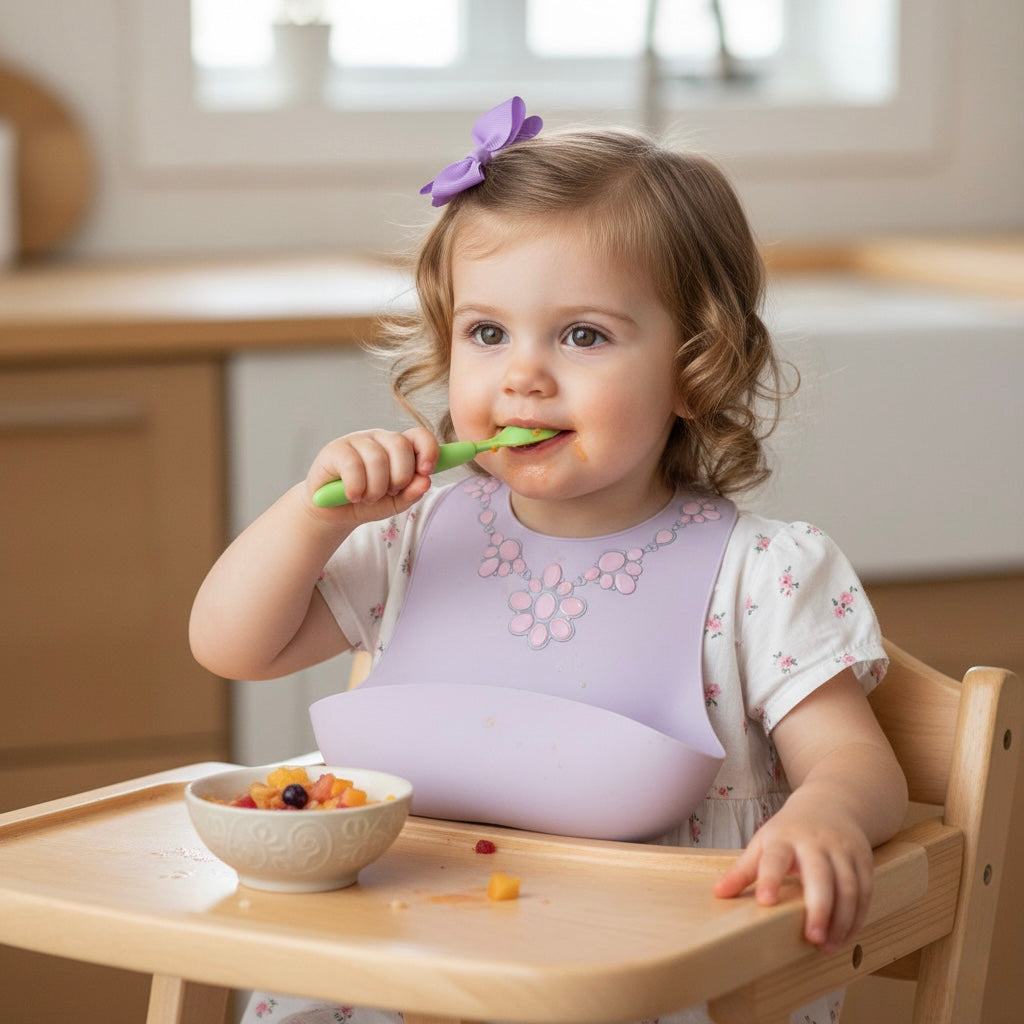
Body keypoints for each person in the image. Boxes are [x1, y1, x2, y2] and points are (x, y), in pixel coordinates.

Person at [190, 97, 908, 1024]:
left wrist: (827, 814)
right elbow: (231, 644)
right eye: (487, 333)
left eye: (583, 335)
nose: (522, 374)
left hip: (635, 975)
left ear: (695, 364)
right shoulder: (414, 537)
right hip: (397, 967)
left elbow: (858, 760)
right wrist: (312, 515)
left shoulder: (761, 576)